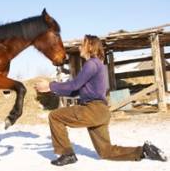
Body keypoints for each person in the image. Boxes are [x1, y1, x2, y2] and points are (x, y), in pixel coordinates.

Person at [34, 35, 167, 166]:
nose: (80, 46)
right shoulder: (96, 64)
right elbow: (75, 91)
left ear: (90, 46)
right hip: (101, 112)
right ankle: (143, 151)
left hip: (93, 109)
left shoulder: (91, 64)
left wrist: (50, 85)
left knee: (55, 116)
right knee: (106, 152)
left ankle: (67, 154)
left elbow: (74, 85)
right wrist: (51, 90)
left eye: (83, 43)